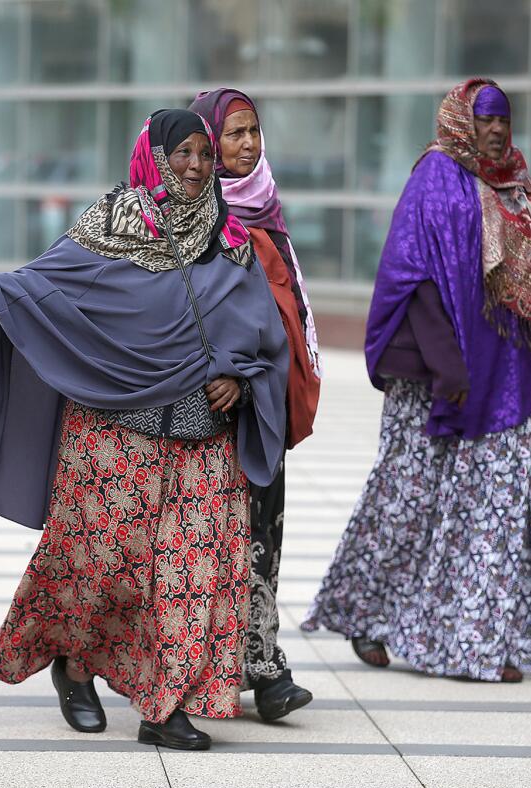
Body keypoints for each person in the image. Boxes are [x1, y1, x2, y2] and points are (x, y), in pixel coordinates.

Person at [0, 110, 288, 751]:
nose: (196, 166)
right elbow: (40, 289)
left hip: (203, 437)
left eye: (204, 153)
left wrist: (244, 380)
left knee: (189, 577)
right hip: (116, 429)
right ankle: (74, 664)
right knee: (97, 566)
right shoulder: (111, 225)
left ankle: (163, 709)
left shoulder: (232, 240)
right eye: (182, 153)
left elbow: (262, 335)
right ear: (155, 156)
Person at [301, 79, 531, 683]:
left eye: (504, 119)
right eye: (486, 119)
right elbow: (413, 277)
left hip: (501, 374)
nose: (497, 129)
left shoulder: (513, 184)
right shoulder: (437, 176)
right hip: (437, 373)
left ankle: (481, 640)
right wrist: (447, 365)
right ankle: (367, 614)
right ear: (462, 120)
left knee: (496, 505)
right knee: (408, 499)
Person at [188, 88, 319, 721]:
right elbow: (205, 310)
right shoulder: (199, 212)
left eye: (254, 131)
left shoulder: (264, 207)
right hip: (218, 406)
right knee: (226, 539)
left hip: (264, 400)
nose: (247, 144)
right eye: (234, 133)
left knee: (263, 534)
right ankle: (257, 673)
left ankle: (260, 665)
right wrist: (234, 373)